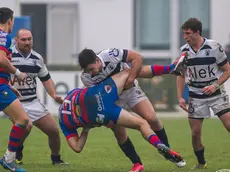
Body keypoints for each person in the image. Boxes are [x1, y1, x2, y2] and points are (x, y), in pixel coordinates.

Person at [78, 48, 186, 171]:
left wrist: (131, 78)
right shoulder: (86, 78)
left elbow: (138, 57)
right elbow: (98, 96)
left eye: (92, 69)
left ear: (97, 60)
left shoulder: (110, 54)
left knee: (152, 118)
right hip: (114, 101)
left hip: (130, 91)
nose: (91, 73)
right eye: (88, 71)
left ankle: (167, 150)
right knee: (119, 133)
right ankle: (137, 164)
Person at [176, 18, 230, 169]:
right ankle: (201, 163)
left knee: (229, 124)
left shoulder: (214, 47)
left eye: (188, 33)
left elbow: (227, 71)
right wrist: (180, 96)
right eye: (184, 34)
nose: (185, 37)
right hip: (195, 96)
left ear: (197, 32)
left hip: (217, 93)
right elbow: (180, 75)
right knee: (195, 133)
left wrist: (215, 85)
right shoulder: (184, 51)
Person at [10, 29, 67, 165]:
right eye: (23, 40)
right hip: (15, 102)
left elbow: (46, 79)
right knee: (27, 126)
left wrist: (54, 95)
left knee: (54, 131)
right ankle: (17, 150)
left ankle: (56, 159)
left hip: (33, 101)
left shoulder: (37, 58)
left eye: (29, 39)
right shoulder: (8, 55)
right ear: (16, 40)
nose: (27, 42)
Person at [0, 7, 32, 172]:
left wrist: (9, 85)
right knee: (23, 120)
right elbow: (1, 60)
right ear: (10, 20)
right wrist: (17, 73)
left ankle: (9, 159)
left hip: (3, 85)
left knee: (23, 121)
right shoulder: (4, 36)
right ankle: (8, 159)